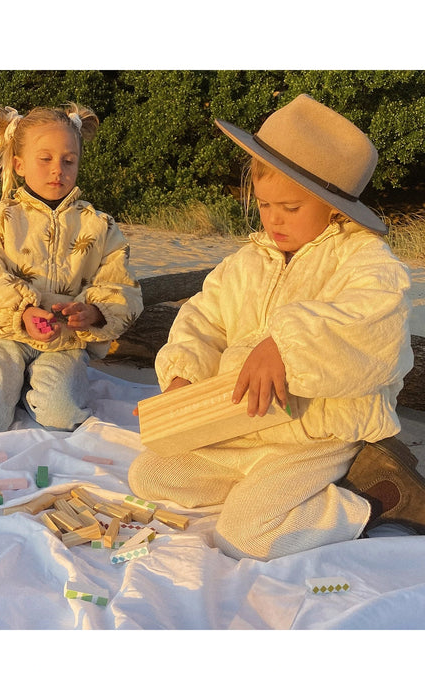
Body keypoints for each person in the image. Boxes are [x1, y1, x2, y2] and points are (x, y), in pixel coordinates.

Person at [129, 93, 424, 562]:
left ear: (332, 207)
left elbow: (376, 328)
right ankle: (270, 490)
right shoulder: (248, 259)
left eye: (290, 207)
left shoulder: (365, 261)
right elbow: (204, 319)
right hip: (243, 426)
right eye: (265, 205)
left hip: (313, 433)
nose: (274, 220)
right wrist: (183, 378)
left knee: (247, 536)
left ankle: (372, 498)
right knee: (150, 476)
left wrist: (284, 347)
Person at [0, 102, 143, 433]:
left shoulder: (100, 226)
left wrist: (93, 312)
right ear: (19, 164)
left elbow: (122, 287)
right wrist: (22, 311)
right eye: (45, 159)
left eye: (68, 160)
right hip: (3, 335)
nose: (57, 169)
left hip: (64, 342)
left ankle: (20, 389)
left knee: (62, 418)